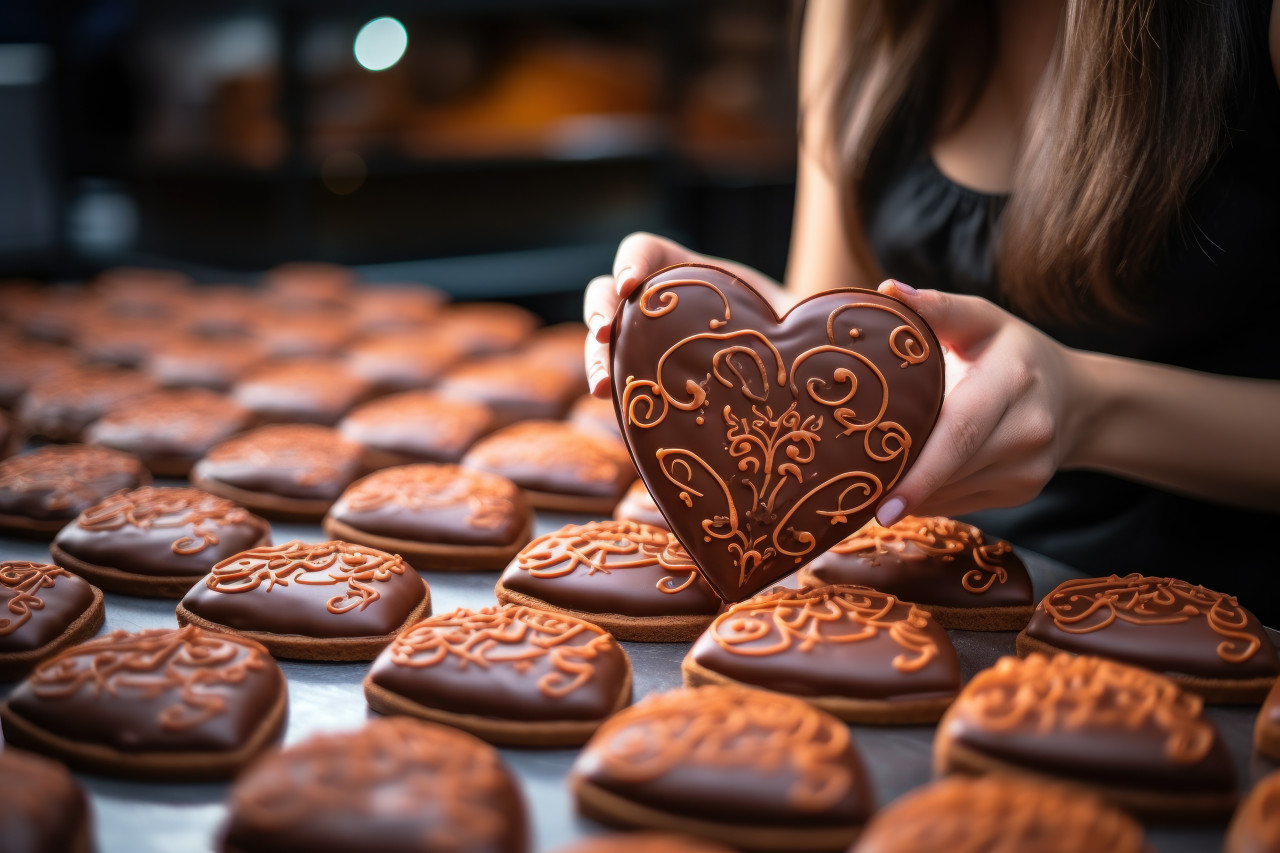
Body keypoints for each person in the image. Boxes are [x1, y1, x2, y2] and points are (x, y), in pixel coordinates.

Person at [583, 0, 1280, 623]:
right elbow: (827, 332)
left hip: (1215, 613)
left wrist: (1089, 406)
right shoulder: (859, 11)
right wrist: (712, 315)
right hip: (920, 576)